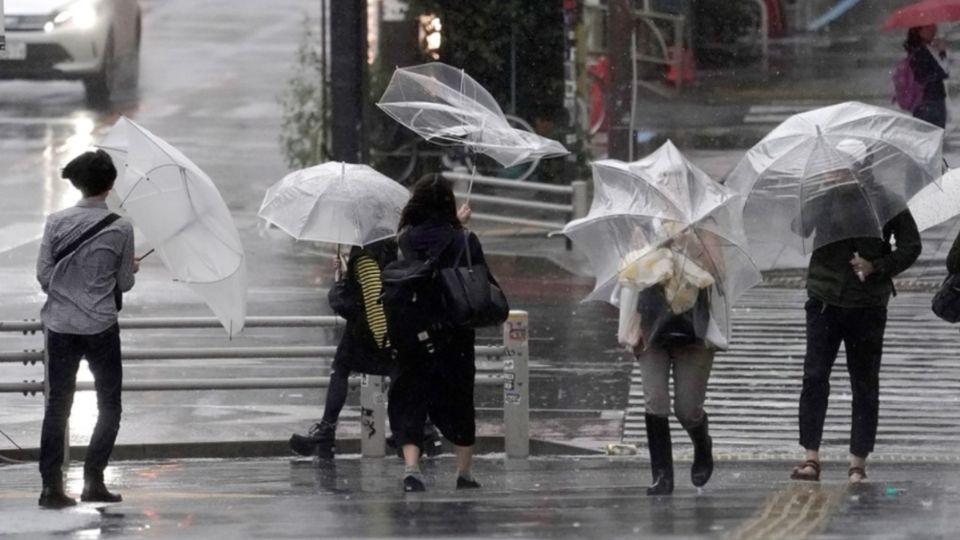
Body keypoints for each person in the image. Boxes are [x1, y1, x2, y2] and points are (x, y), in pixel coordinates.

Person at [789, 173, 921, 484]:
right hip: (824, 298)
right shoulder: (824, 194)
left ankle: (857, 463)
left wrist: (877, 266)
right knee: (814, 376)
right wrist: (815, 194)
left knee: (864, 383)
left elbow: (910, 245)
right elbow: (800, 228)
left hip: (867, 304)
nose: (842, 174)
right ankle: (811, 457)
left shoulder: (885, 199)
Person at [35, 150, 138, 508]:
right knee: (109, 405)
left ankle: (51, 487)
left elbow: (44, 276)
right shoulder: (121, 227)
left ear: (78, 183)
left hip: (61, 327)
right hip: (101, 328)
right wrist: (126, 269)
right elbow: (124, 284)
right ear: (110, 185)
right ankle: (94, 480)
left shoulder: (56, 222)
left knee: (57, 406)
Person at [288, 239, 444, 458]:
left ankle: (328, 431)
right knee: (346, 369)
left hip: (372, 329)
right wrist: (347, 270)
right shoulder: (382, 246)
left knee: (384, 373)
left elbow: (373, 296)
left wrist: (384, 339)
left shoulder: (366, 253)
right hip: (369, 326)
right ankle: (423, 430)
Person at [387, 174, 485, 493]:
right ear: (449, 203)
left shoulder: (406, 239)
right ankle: (464, 473)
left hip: (413, 328)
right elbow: (481, 279)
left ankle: (412, 468)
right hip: (453, 331)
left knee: (411, 397)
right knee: (459, 399)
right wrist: (460, 230)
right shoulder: (464, 240)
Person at [619, 233, 719, 496]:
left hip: (693, 328)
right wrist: (655, 252)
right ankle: (662, 475)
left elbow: (717, 274)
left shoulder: (703, 223)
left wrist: (688, 250)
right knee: (655, 400)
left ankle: (702, 443)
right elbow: (630, 270)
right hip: (651, 325)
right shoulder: (645, 223)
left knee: (687, 409)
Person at [905, 25, 949, 128]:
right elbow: (942, 72)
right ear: (919, 32)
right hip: (929, 100)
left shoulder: (920, 49)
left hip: (928, 100)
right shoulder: (920, 52)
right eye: (929, 28)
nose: (934, 29)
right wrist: (941, 52)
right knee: (933, 135)